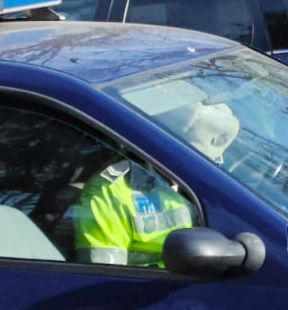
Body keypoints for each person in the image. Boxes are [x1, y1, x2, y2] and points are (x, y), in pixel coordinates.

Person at [72, 101, 240, 266]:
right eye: (194, 160)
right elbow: (105, 272)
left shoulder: (226, 182)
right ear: (166, 147)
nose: (203, 170)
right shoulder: (113, 192)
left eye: (209, 162)